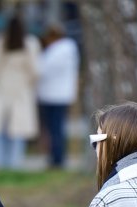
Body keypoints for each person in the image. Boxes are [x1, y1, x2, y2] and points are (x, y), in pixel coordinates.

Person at [0, 13, 40, 169]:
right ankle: (14, 164)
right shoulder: (31, 43)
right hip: (21, 91)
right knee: (17, 131)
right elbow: (35, 71)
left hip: (1, 88)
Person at [37, 22, 79, 168]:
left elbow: (42, 70)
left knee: (54, 129)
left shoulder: (57, 51)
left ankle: (57, 159)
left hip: (52, 95)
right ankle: (57, 157)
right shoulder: (69, 50)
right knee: (57, 128)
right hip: (62, 94)